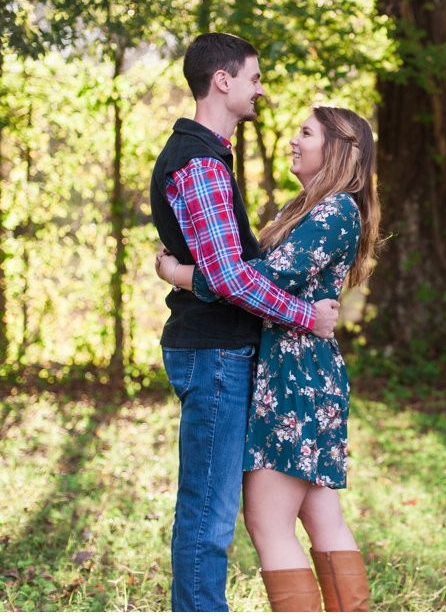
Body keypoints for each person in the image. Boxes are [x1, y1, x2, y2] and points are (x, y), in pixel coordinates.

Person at [156, 104, 380, 612]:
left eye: (307, 133)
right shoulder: (307, 207)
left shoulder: (334, 211)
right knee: (322, 516)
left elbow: (254, 283)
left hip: (294, 377)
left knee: (267, 522)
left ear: (338, 150)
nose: (293, 140)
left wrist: (178, 273)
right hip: (302, 373)